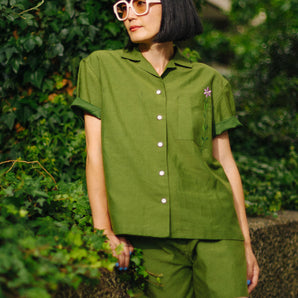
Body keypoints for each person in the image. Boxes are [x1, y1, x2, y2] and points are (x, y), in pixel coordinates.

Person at [71, 0, 259, 297]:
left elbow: (225, 162)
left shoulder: (209, 81)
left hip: (217, 230)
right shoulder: (100, 67)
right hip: (151, 236)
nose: (130, 14)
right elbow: (94, 154)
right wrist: (103, 230)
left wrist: (246, 244)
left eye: (141, 4)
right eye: (123, 7)